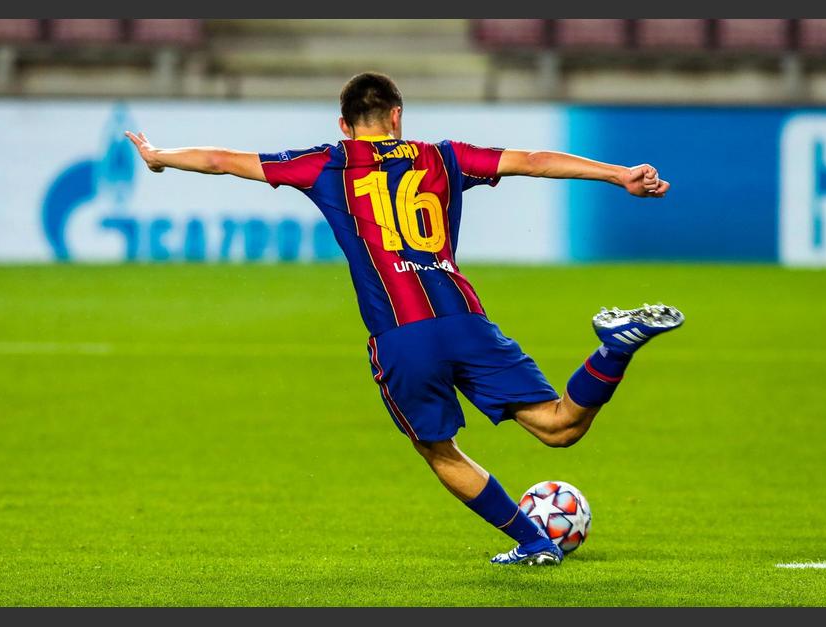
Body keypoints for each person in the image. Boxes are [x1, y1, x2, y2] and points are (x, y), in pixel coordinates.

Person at [125, 72, 683, 566]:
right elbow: (533, 162)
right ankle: (613, 349)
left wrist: (160, 156)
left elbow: (222, 161)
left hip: (402, 337)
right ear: (397, 116)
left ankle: (534, 542)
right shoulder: (444, 157)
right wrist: (618, 174)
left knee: (437, 449)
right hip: (465, 320)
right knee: (559, 426)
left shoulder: (327, 163)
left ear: (344, 124)